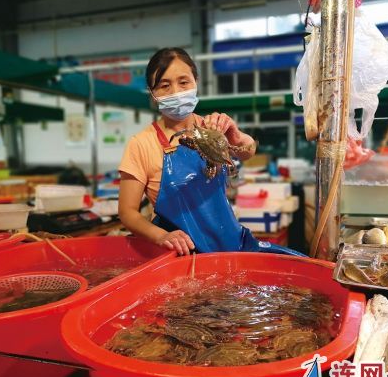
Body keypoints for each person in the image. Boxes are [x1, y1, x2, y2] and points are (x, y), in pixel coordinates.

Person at [118, 47, 304, 258]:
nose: (176, 92)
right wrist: (161, 236)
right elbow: (127, 212)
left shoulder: (211, 127)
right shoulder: (141, 144)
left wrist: (234, 135)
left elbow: (248, 151)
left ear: (196, 82)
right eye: (164, 85)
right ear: (152, 94)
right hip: (183, 252)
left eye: (184, 82)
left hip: (229, 240)